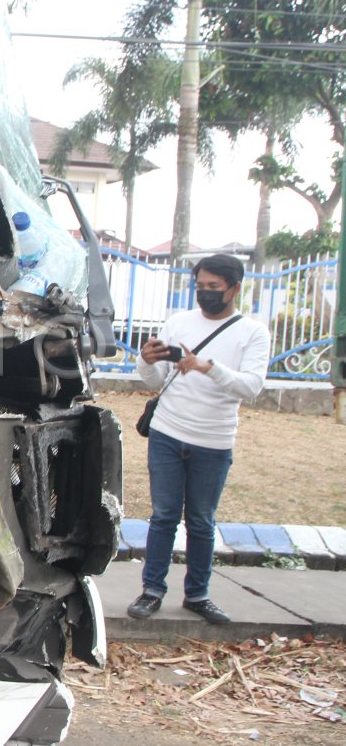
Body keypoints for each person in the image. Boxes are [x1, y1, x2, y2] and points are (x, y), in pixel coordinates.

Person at [127, 253, 270, 625]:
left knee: (202, 520)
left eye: (213, 288)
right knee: (163, 517)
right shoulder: (179, 323)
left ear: (234, 288)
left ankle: (198, 594)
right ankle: (152, 590)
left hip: (214, 440)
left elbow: (251, 387)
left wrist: (208, 367)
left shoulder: (253, 333)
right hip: (168, 434)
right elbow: (156, 381)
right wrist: (145, 360)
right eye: (200, 287)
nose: (205, 294)